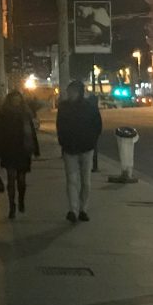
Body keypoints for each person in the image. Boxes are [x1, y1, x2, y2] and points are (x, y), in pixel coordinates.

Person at [57, 80, 102, 223]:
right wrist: (63, 142)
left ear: (80, 93)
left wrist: (92, 141)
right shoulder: (63, 107)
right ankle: (73, 210)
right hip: (70, 148)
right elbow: (60, 126)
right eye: (69, 92)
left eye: (73, 92)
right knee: (71, 180)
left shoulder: (89, 107)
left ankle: (83, 209)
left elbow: (97, 125)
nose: (70, 94)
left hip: (86, 147)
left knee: (85, 181)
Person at [0, 90, 40, 218]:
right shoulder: (4, 115)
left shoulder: (25, 114)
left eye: (18, 99)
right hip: (9, 150)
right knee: (10, 179)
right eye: (14, 99)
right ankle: (11, 206)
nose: (16, 101)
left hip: (23, 150)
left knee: (21, 179)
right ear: (10, 101)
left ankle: (21, 199)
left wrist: (36, 150)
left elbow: (31, 133)